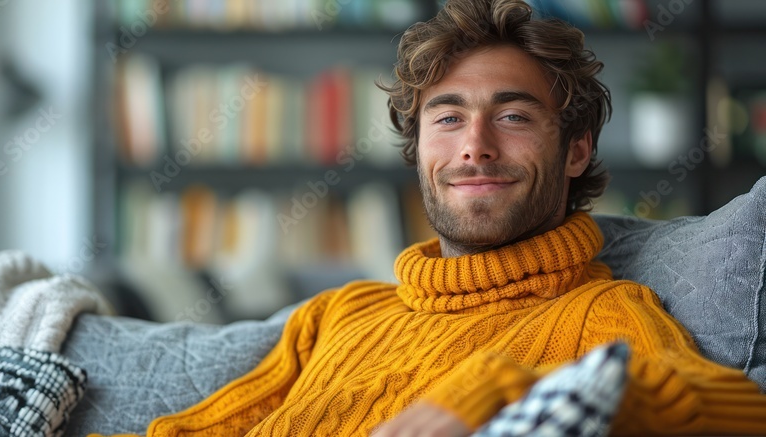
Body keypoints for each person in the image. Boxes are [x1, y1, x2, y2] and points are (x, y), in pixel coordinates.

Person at [95, 0, 766, 435]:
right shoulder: (341, 314)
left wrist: (497, 387)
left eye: (512, 115)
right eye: (447, 118)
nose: (475, 145)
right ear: (418, 150)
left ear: (576, 151)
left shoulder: (603, 315)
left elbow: (740, 407)